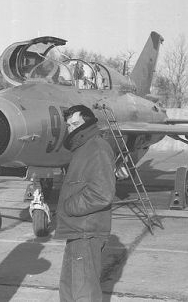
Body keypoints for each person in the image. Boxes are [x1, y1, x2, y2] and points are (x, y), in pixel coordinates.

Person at [55, 104, 116, 302]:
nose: (71, 129)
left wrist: (68, 206)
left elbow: (102, 193)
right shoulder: (83, 148)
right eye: (69, 126)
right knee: (69, 290)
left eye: (75, 124)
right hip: (77, 232)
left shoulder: (96, 148)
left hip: (86, 233)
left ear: (88, 123)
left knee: (84, 293)